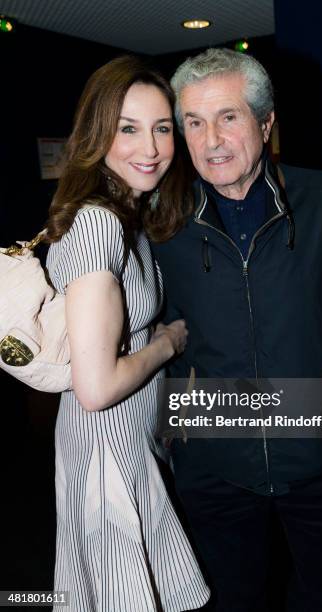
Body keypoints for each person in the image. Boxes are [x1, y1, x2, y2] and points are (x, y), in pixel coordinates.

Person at [152, 48, 322, 611]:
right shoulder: (163, 220)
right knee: (234, 599)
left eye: (228, 117)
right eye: (193, 122)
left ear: (266, 123)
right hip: (214, 462)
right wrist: (177, 435)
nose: (210, 139)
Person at [45, 55, 209, 612]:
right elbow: (95, 387)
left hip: (125, 442)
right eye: (129, 129)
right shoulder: (97, 223)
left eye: (163, 128)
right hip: (105, 451)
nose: (152, 148)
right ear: (97, 134)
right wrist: (167, 343)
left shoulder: (126, 215)